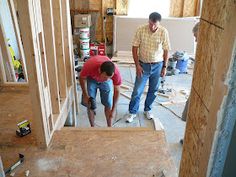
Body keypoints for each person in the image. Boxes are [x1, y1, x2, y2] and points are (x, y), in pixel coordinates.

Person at [126, 12, 171, 123]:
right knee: (137, 90)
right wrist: (137, 65)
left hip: (158, 65)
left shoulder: (163, 32)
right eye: (151, 24)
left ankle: (148, 109)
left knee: (154, 90)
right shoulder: (141, 30)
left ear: (159, 23)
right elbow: (134, 48)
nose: (152, 27)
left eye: (155, 25)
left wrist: (164, 67)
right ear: (149, 20)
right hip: (143, 65)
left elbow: (166, 50)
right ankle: (132, 112)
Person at [79, 55, 122, 127]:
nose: (107, 79)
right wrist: (85, 95)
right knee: (90, 103)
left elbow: (117, 91)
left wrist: (113, 110)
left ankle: (109, 127)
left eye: (109, 78)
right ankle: (93, 127)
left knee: (108, 103)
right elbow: (81, 78)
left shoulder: (115, 73)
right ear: (99, 71)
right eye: (105, 77)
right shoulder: (89, 66)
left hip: (102, 76)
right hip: (92, 78)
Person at [180, 22, 199, 144]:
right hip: (196, 89)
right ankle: (188, 138)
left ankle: (192, 140)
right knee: (189, 112)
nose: (196, 40)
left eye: (197, 36)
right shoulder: (203, 49)